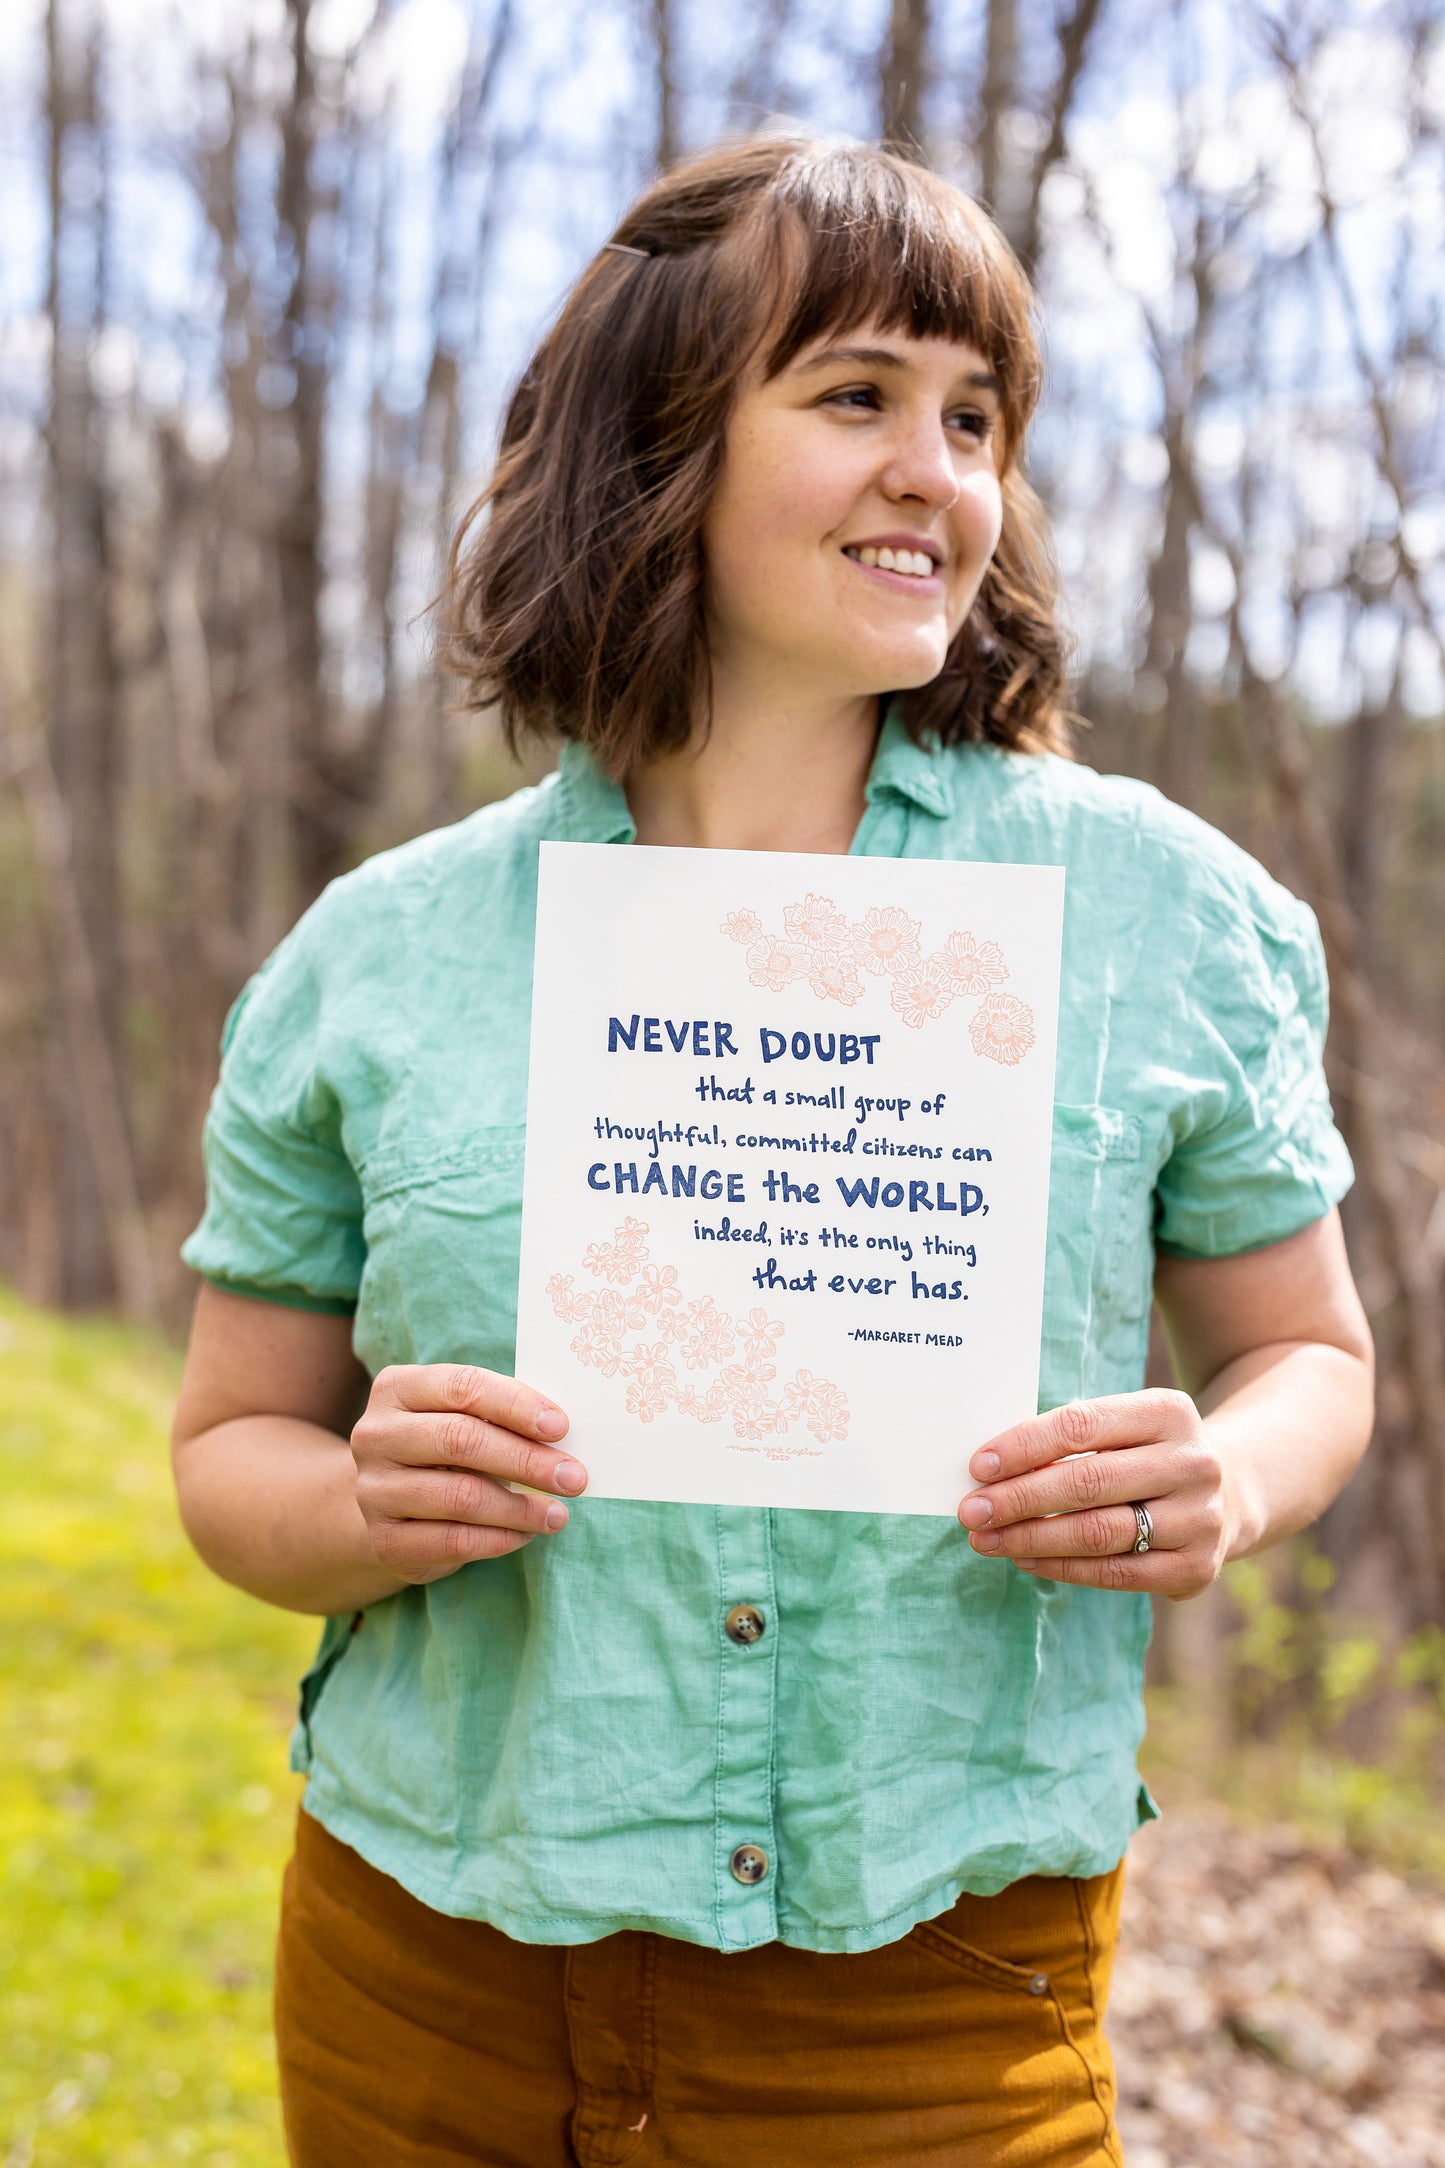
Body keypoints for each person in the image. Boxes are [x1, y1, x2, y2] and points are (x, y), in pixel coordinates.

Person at [170, 132, 1374, 2168]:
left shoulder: (1163, 914)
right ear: (654, 447)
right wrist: (368, 1499)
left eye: (975, 416)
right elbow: (227, 1453)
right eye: (857, 396)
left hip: (929, 2000)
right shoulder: (378, 955)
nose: (942, 470)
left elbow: (1313, 1357)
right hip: (429, 1984)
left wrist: (1224, 1482)